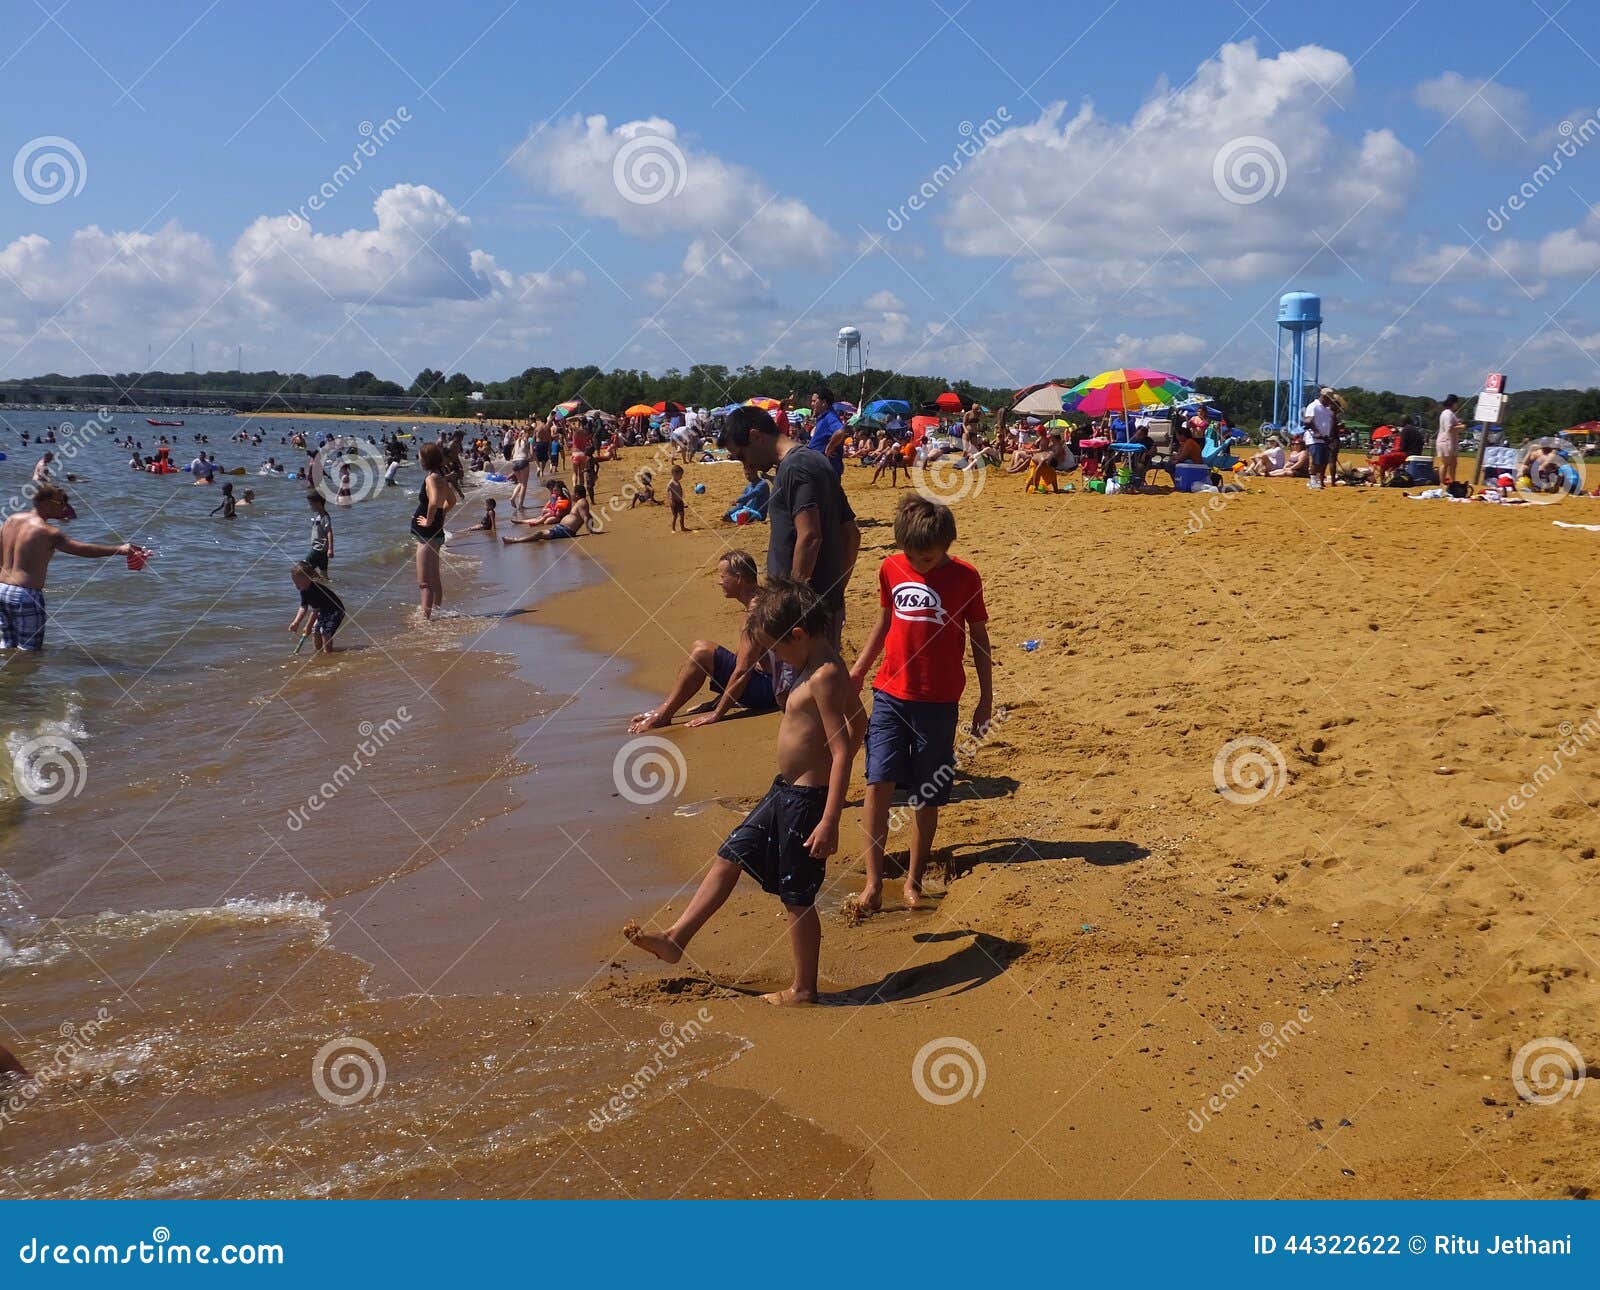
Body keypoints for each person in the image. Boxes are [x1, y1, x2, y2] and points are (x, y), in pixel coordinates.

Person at [624, 578, 865, 1005]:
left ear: (798, 635)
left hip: (806, 803)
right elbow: (859, 719)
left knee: (797, 896)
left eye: (777, 648)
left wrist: (830, 819)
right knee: (729, 855)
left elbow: (844, 747)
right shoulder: (821, 665)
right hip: (784, 792)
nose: (774, 658)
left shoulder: (825, 675)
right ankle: (677, 938)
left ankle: (804, 989)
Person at [850, 494, 991, 913]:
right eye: (912, 555)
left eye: (928, 558)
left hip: (940, 700)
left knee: (927, 793)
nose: (919, 563)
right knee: (878, 782)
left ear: (945, 547)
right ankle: (874, 882)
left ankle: (913, 879)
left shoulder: (966, 577)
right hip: (890, 693)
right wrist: (858, 671)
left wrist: (986, 698)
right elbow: (884, 622)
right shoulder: (891, 568)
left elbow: (980, 639)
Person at [719, 405, 860, 649]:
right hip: (822, 606)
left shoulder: (794, 468)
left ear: (755, 436)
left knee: (796, 685)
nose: (746, 464)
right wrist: (836, 591)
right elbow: (851, 534)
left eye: (741, 455)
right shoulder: (816, 459)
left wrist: (792, 605)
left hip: (800, 619)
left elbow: (810, 537)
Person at [628, 550, 781, 731]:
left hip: (770, 692)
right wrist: (717, 702)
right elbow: (745, 658)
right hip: (771, 685)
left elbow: (742, 671)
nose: (719, 581)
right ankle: (664, 709)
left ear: (739, 578)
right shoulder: (762, 599)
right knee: (699, 648)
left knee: (702, 651)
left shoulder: (754, 613)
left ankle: (663, 714)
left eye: (723, 576)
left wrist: (717, 714)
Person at [0, 484, 147, 651]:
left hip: (2, 589)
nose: (65, 508)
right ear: (47, 503)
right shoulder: (48, 532)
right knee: (29, 651)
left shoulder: (11, 520)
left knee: (6, 648)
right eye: (61, 503)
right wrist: (120, 550)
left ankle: (6, 677)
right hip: (25, 594)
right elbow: (84, 550)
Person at [411, 441, 456, 619]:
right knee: (434, 578)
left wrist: (429, 520)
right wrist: (440, 516)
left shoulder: (432, 478)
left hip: (427, 535)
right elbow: (451, 501)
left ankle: (426, 618)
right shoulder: (440, 476)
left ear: (425, 460)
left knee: (424, 582)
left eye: (420, 456)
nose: (419, 459)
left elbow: (434, 501)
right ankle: (436, 611)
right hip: (435, 533)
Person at [502, 484, 592, 543]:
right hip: (562, 528)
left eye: (573, 493)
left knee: (539, 534)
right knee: (540, 534)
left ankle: (515, 540)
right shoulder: (581, 502)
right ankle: (516, 539)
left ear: (577, 494)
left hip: (566, 531)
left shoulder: (582, 503)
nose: (571, 495)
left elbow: (586, 517)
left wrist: (590, 531)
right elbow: (588, 516)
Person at [288, 562, 346, 653]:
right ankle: (318, 652)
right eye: (295, 583)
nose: (296, 586)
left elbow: (315, 611)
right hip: (323, 611)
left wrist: (308, 626)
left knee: (325, 632)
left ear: (308, 579)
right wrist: (296, 622)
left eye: (298, 583)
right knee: (315, 631)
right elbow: (303, 607)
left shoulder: (314, 590)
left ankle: (328, 653)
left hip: (336, 611)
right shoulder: (304, 590)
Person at [1302, 387, 1341, 490]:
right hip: (1314, 438)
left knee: (1323, 461)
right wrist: (1316, 432)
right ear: (1324, 396)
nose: (1330, 401)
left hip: (1325, 438)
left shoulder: (1326, 409)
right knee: (1316, 460)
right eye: (1329, 399)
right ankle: (1312, 481)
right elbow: (1307, 421)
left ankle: (1316, 480)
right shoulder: (1313, 406)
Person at [807, 387, 847, 476]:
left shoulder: (830, 417)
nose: (812, 404)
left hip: (827, 471)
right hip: (820, 469)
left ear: (824, 403)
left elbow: (840, 432)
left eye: (814, 401)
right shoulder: (824, 417)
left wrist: (829, 447)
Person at [1437, 394, 1463, 486]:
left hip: (1450, 441)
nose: (1457, 405)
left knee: (1453, 463)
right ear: (1453, 403)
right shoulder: (1448, 413)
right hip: (1446, 441)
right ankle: (1442, 482)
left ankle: (1452, 481)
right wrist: (1460, 426)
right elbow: (1449, 428)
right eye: (1456, 403)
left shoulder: (1449, 413)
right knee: (1446, 463)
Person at [305, 491, 333, 574]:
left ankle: (310, 583)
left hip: (318, 549)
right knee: (323, 573)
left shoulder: (325, 517)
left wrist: (330, 549)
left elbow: (329, 532)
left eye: (311, 504)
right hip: (323, 551)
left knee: (304, 569)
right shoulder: (318, 515)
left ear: (318, 503)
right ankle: (323, 585)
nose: (310, 506)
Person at [667, 464, 688, 532]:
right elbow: (667, 490)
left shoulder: (677, 481)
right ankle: (673, 529)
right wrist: (670, 498)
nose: (681, 477)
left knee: (682, 514)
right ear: (674, 474)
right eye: (680, 475)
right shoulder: (671, 483)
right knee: (675, 516)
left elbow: (679, 490)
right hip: (674, 501)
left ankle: (682, 527)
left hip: (679, 501)